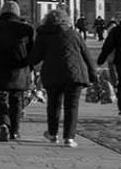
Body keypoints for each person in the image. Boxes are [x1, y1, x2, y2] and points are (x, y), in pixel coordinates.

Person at [31, 9, 96, 147]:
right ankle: (69, 138)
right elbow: (87, 55)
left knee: (54, 105)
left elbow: (35, 57)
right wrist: (93, 75)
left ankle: (52, 134)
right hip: (75, 75)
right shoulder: (74, 34)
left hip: (52, 74)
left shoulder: (44, 35)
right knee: (71, 106)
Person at [0, 1, 36, 142]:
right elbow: (33, 51)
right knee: (16, 99)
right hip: (19, 69)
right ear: (17, 13)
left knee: (0, 97)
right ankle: (14, 131)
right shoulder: (26, 29)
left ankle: (3, 124)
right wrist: (30, 67)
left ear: (1, 12)